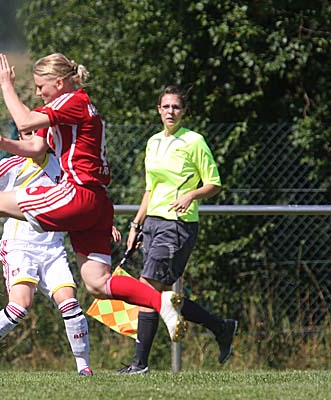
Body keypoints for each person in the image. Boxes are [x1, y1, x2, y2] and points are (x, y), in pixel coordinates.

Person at [0, 52, 184, 345]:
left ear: (60, 83)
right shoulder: (70, 108)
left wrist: (6, 85)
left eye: (41, 86)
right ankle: (160, 302)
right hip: (98, 203)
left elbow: (25, 122)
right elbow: (37, 147)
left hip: (77, 193)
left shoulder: (72, 101)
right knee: (97, 283)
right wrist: (4, 143)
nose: (38, 93)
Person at [0, 130, 94, 376]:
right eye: (26, 134)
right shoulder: (10, 166)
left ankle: (84, 367)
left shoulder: (62, 166)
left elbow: (81, 200)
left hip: (53, 248)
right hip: (20, 246)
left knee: (70, 304)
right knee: (20, 306)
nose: (32, 140)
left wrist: (101, 224)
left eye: (37, 134)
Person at [119, 85, 238, 375]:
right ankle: (220, 327)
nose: (171, 111)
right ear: (158, 110)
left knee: (148, 288)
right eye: (166, 106)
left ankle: (140, 364)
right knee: (157, 293)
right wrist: (136, 225)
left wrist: (191, 195)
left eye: (176, 107)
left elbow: (214, 183)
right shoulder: (152, 142)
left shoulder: (194, 141)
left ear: (184, 111)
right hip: (152, 223)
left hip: (177, 224)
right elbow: (150, 189)